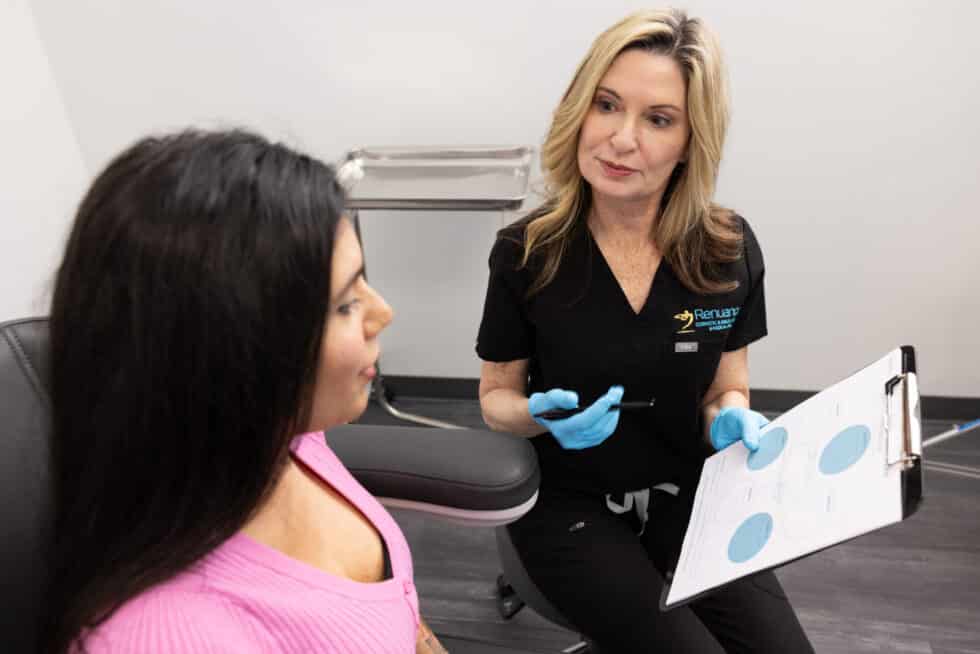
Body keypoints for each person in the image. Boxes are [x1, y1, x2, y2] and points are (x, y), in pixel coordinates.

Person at [476, 9, 814, 653]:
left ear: (692, 140)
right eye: (606, 105)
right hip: (565, 504)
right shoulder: (528, 250)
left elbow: (726, 388)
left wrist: (731, 417)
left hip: (686, 494)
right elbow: (495, 401)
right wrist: (540, 418)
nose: (620, 139)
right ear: (579, 109)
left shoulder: (726, 250)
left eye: (658, 119)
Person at [40, 129, 447, 653]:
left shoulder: (289, 440)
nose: (383, 313)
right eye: (346, 304)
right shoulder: (167, 636)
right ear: (241, 348)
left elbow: (401, 615)